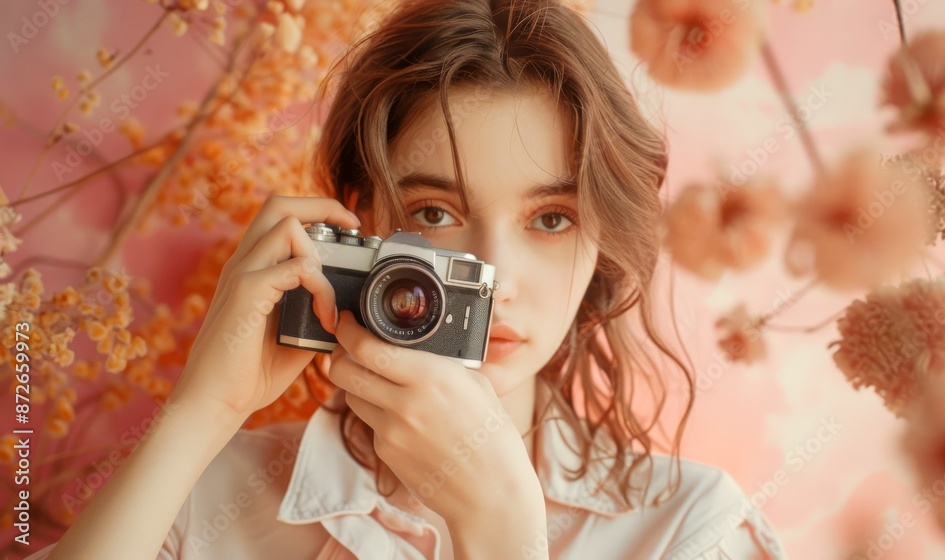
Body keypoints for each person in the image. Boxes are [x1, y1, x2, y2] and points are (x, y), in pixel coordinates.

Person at [28, 0, 788, 558]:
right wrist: (203, 408)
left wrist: (502, 534)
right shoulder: (214, 499)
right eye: (433, 213)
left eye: (551, 218)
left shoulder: (690, 529)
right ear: (358, 223)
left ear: (601, 242)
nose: (493, 279)